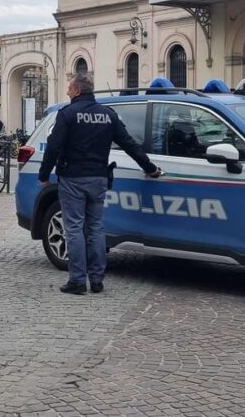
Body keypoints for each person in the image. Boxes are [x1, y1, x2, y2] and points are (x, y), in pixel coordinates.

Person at [38, 75, 161, 295]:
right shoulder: (108, 115)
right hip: (98, 178)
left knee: (74, 228)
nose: (67, 92)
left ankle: (77, 281)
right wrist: (149, 167)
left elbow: (53, 146)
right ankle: (96, 280)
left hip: (73, 178)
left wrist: (44, 175)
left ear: (77, 91)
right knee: (95, 227)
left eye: (69, 88)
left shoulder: (67, 114)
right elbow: (129, 144)